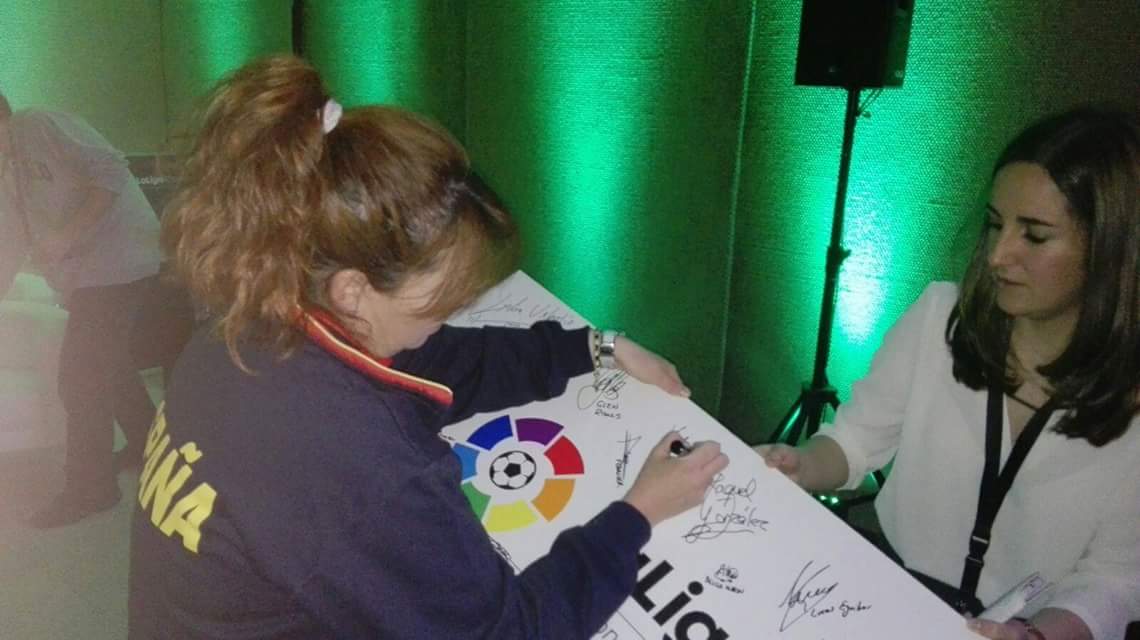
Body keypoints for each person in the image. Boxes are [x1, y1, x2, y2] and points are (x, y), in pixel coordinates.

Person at [126, 54, 729, 639]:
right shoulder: (363, 468)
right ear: (354, 290)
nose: (450, 318)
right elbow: (509, 632)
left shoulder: (250, 323)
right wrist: (637, 514)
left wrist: (597, 348)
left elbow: (441, 359)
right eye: (442, 302)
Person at [756, 107, 1139, 640]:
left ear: (1111, 249)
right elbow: (854, 443)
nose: (998, 254)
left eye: (1034, 235)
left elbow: (1116, 580)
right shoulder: (941, 316)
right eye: (994, 223)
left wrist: (1035, 636)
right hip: (881, 594)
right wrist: (796, 464)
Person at [0, 90, 168, 527]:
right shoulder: (7, 169)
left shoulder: (37, 125)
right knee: (109, 367)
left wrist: (67, 235)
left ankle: (90, 490)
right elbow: (12, 239)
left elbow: (112, 167)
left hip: (122, 261)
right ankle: (150, 444)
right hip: (87, 278)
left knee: (80, 380)